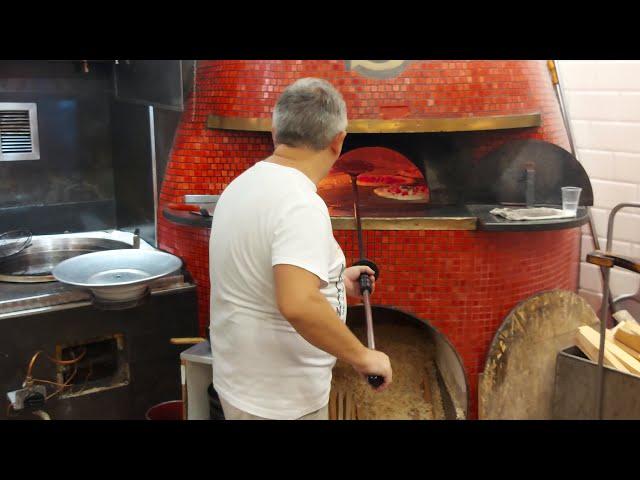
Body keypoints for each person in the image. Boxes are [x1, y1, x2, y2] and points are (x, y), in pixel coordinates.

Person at [209, 77, 392, 420]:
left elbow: (261, 273)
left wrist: (336, 281)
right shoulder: (300, 204)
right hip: (282, 402)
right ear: (339, 142)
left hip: (243, 384)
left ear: (274, 132)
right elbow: (298, 303)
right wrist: (362, 356)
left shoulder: (242, 185)